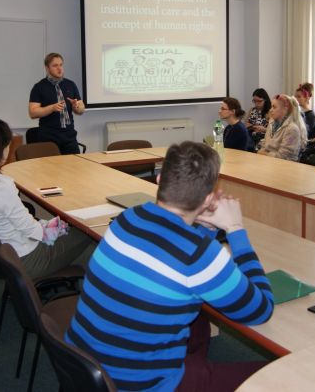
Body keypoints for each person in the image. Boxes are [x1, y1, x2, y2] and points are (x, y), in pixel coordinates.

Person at [66, 141, 273, 391]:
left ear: (159, 180)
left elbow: (173, 255)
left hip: (84, 366)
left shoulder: (128, 218)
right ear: (208, 199)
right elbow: (260, 310)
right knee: (276, 375)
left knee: (198, 323)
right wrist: (235, 229)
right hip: (139, 385)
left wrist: (203, 228)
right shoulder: (199, 255)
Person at [0, 117, 94, 279]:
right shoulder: (1, 186)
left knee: (61, 226)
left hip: (1, 256)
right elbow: (34, 231)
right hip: (25, 260)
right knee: (87, 230)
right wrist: (55, 227)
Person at [28, 52, 85, 155]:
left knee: (75, 164)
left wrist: (76, 106)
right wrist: (52, 108)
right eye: (55, 66)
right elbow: (33, 113)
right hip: (48, 139)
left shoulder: (70, 84)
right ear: (47, 68)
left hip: (69, 137)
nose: (59, 69)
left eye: (61, 65)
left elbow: (81, 110)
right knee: (50, 166)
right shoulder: (39, 87)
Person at [258, 94, 307, 161]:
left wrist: (264, 154)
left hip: (285, 165)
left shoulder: (292, 129)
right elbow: (264, 145)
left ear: (285, 109)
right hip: (269, 162)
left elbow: (283, 156)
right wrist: (261, 151)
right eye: (271, 107)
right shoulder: (271, 124)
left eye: (274, 107)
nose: (270, 110)